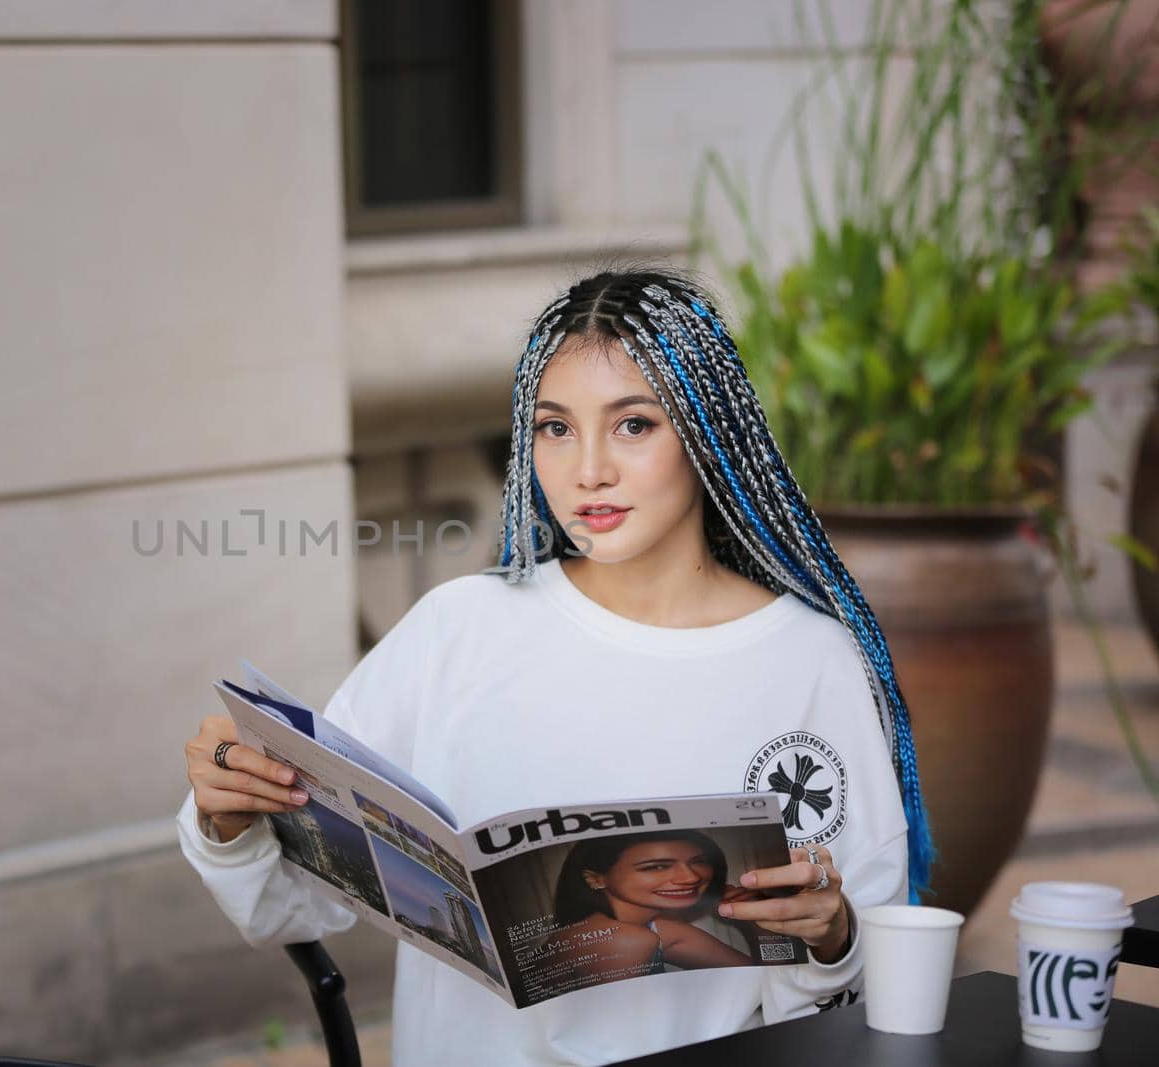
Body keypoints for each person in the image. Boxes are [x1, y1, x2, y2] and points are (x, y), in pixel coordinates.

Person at [178, 268, 931, 1065]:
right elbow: (287, 908)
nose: (588, 469)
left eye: (633, 425)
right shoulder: (459, 629)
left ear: (708, 433)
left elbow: (871, 987)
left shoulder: (810, 662)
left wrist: (831, 935)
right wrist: (231, 816)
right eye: (555, 427)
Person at [545, 830, 755, 980]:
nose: (691, 877)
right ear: (595, 879)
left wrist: (753, 919)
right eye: (656, 867)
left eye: (698, 861)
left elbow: (760, 983)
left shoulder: (657, 930)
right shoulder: (623, 940)